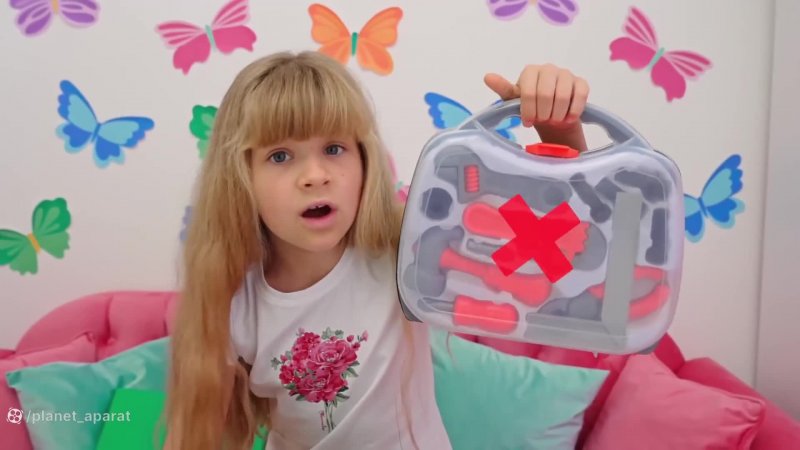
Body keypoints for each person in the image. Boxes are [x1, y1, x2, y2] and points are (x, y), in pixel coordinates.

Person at [163, 50, 590, 450]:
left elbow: (562, 248)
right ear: (241, 178)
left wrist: (558, 130)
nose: (315, 175)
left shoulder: (407, 249)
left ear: (365, 161)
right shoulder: (232, 299)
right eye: (279, 156)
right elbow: (195, 434)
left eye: (334, 149)